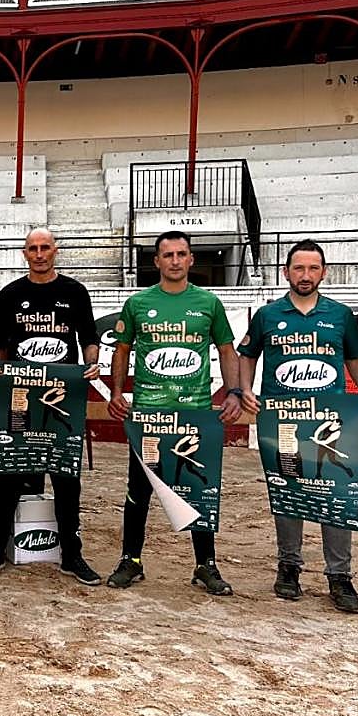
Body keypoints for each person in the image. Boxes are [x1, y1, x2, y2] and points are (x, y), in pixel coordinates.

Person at [238, 239, 358, 613]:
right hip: (283, 421)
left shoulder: (340, 315)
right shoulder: (268, 315)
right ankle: (289, 566)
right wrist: (243, 391)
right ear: (285, 272)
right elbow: (248, 355)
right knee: (288, 491)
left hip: (332, 421)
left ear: (324, 271)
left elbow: (357, 358)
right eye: (298, 268)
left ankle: (340, 575)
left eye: (313, 268)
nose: (305, 275)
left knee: (336, 492)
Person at [106, 230, 243, 595]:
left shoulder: (209, 303)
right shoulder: (137, 303)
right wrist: (118, 392)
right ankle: (130, 560)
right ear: (156, 261)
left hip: (195, 413)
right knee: (139, 490)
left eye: (182, 254)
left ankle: (206, 565)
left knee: (199, 489)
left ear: (191, 259)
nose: (175, 261)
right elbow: (122, 350)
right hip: (149, 415)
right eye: (168, 255)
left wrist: (234, 392)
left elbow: (227, 350)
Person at [0, 227, 102, 585]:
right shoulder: (11, 293)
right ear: (25, 253)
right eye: (32, 248)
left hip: (63, 398)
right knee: (6, 475)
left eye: (45, 247)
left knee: (66, 479)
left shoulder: (75, 292)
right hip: (19, 396)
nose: (39, 254)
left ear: (55, 250)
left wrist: (92, 364)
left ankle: (72, 554)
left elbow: (89, 340)